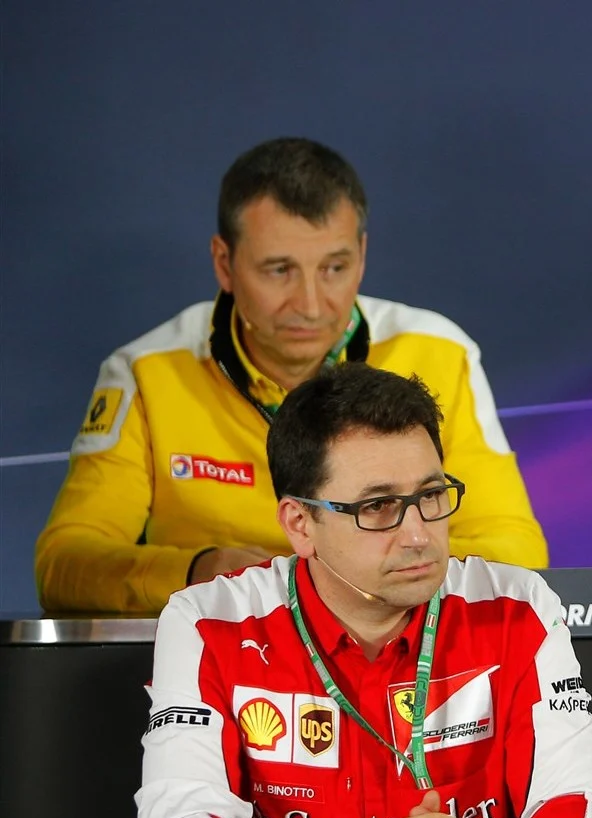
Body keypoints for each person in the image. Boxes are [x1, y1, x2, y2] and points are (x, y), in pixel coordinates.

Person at [133, 364, 592, 818]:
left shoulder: (516, 609)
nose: (419, 534)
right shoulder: (209, 621)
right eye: (378, 507)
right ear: (300, 523)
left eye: (432, 496)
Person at [37, 137, 546, 615]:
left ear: (362, 256)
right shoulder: (148, 371)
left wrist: (352, 577)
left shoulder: (439, 351)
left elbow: (517, 548)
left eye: (334, 268)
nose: (309, 304)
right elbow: (66, 562)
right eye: (279, 270)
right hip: (226, 655)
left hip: (400, 654)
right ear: (224, 263)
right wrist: (199, 571)